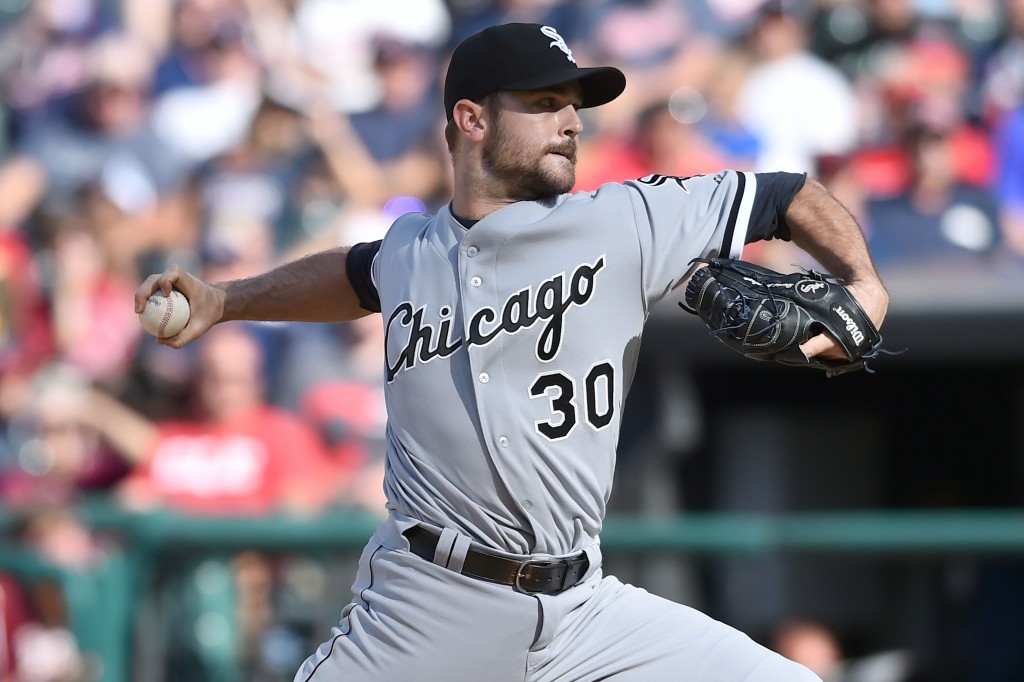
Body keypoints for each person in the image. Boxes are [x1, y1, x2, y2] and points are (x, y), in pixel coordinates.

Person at [135, 22, 889, 682]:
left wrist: (865, 285)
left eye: (573, 104)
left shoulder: (626, 220)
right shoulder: (410, 250)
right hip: (428, 607)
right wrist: (226, 301)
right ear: (471, 119)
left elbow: (787, 193)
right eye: (541, 103)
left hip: (585, 613)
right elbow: (353, 274)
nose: (569, 122)